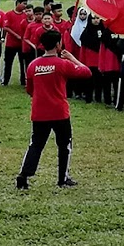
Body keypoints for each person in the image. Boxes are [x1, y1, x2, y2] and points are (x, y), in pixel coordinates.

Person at [16, 29, 91, 191]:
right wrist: (73, 58)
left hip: (39, 112)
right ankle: (62, 179)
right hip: (59, 112)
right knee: (64, 145)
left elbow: (29, 90)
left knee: (36, 144)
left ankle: (23, 175)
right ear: (58, 44)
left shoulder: (33, 65)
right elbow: (86, 72)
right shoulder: (63, 64)